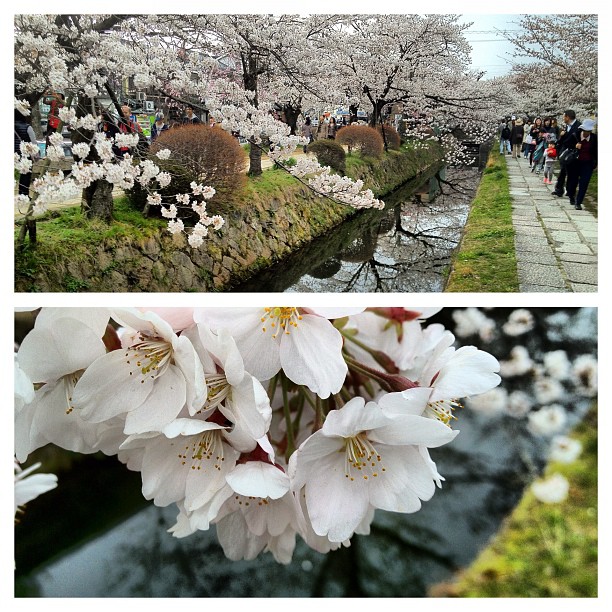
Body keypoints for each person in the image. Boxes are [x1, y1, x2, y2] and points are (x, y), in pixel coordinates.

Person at [565, 118, 597, 210]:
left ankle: (578, 202)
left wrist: (596, 163)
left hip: (587, 163)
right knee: (573, 181)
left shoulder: (594, 138)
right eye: (585, 131)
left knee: (584, 182)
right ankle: (571, 196)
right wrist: (575, 146)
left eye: (588, 131)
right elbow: (566, 144)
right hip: (575, 162)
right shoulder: (575, 135)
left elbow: (596, 151)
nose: (586, 133)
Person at [552, 110, 581, 198]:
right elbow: (564, 140)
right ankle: (559, 189)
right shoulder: (567, 126)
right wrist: (562, 136)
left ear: (568, 117)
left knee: (571, 173)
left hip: (573, 153)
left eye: (564, 116)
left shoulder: (578, 126)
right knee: (563, 171)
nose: (563, 118)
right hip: (565, 152)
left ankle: (569, 190)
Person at [14, 108, 39, 197]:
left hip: (14, 154)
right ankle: (23, 194)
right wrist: (37, 156)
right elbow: (34, 143)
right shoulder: (28, 127)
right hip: (25, 155)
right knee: (25, 175)